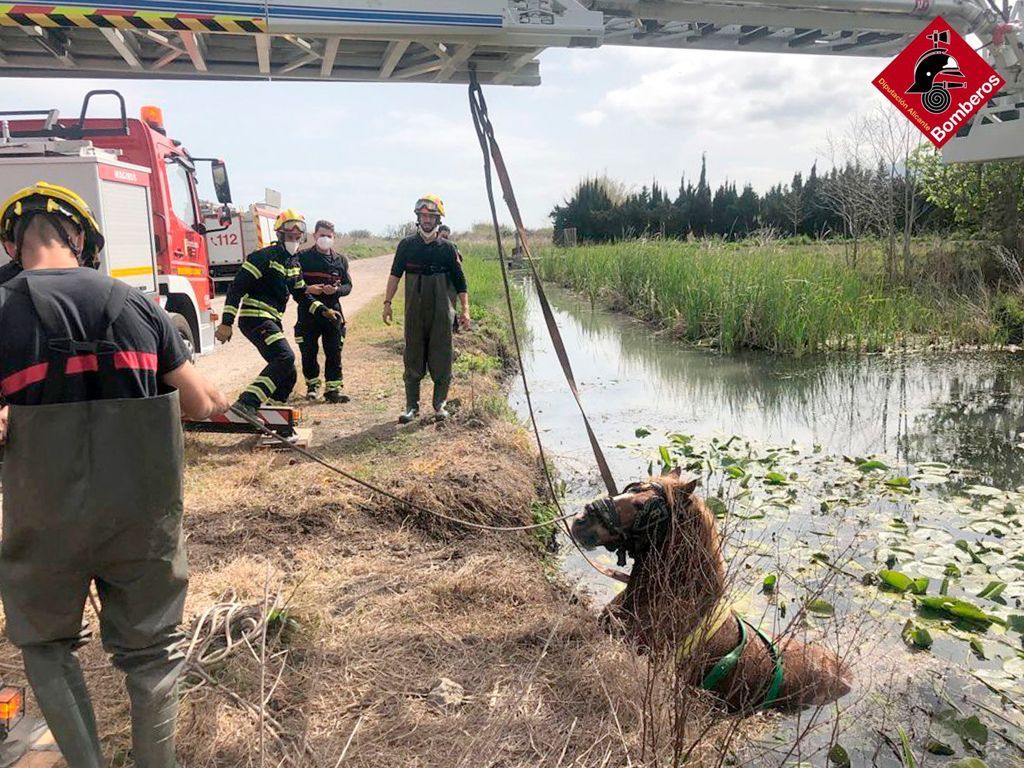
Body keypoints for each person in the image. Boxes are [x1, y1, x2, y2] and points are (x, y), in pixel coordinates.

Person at [0, 182, 228, 768]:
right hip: (140, 517)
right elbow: (201, 405)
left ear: (11, 243)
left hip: (43, 519)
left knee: (46, 646)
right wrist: (210, 393)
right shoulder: (135, 304)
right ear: (80, 237)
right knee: (153, 652)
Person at [215, 210, 340, 421]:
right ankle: (246, 403)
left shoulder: (293, 263)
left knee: (288, 374)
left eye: (297, 237)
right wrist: (226, 323)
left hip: (271, 319)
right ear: (280, 235)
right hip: (254, 318)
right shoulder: (263, 257)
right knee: (285, 357)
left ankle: (271, 417)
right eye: (290, 237)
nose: (294, 241)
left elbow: (301, 295)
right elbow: (236, 288)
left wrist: (323, 310)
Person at [383, 194, 470, 423]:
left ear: (438, 219)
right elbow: (394, 275)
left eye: (431, 216)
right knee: (413, 353)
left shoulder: (448, 249)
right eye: (423, 215)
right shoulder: (406, 246)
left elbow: (461, 282)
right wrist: (387, 303)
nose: (427, 220)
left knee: (442, 354)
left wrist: (465, 309)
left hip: (441, 310)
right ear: (417, 218)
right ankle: (411, 407)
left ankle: (439, 404)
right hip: (414, 309)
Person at [295, 220, 352, 403]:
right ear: (314, 236)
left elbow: (348, 285)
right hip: (308, 313)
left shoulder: (340, 260)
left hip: (333, 313)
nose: (325, 239)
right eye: (322, 235)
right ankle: (312, 386)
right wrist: (310, 289)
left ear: (333, 237)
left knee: (334, 351)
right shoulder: (302, 257)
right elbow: (293, 284)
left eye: (329, 236)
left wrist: (336, 290)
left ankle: (333, 390)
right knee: (309, 351)